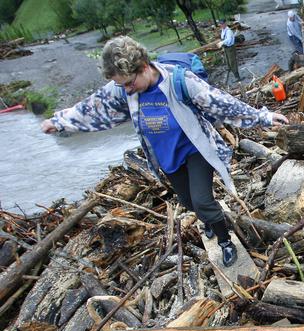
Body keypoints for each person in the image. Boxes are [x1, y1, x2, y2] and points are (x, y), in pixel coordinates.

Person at [40, 36, 288, 267]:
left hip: (195, 150)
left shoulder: (180, 82)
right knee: (188, 201)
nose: (126, 90)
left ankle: (225, 241)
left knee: (203, 201)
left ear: (144, 66)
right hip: (167, 158)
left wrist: (264, 117)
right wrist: (59, 122)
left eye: (129, 83)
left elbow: (222, 103)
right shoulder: (125, 90)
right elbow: (93, 106)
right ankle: (208, 220)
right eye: (121, 85)